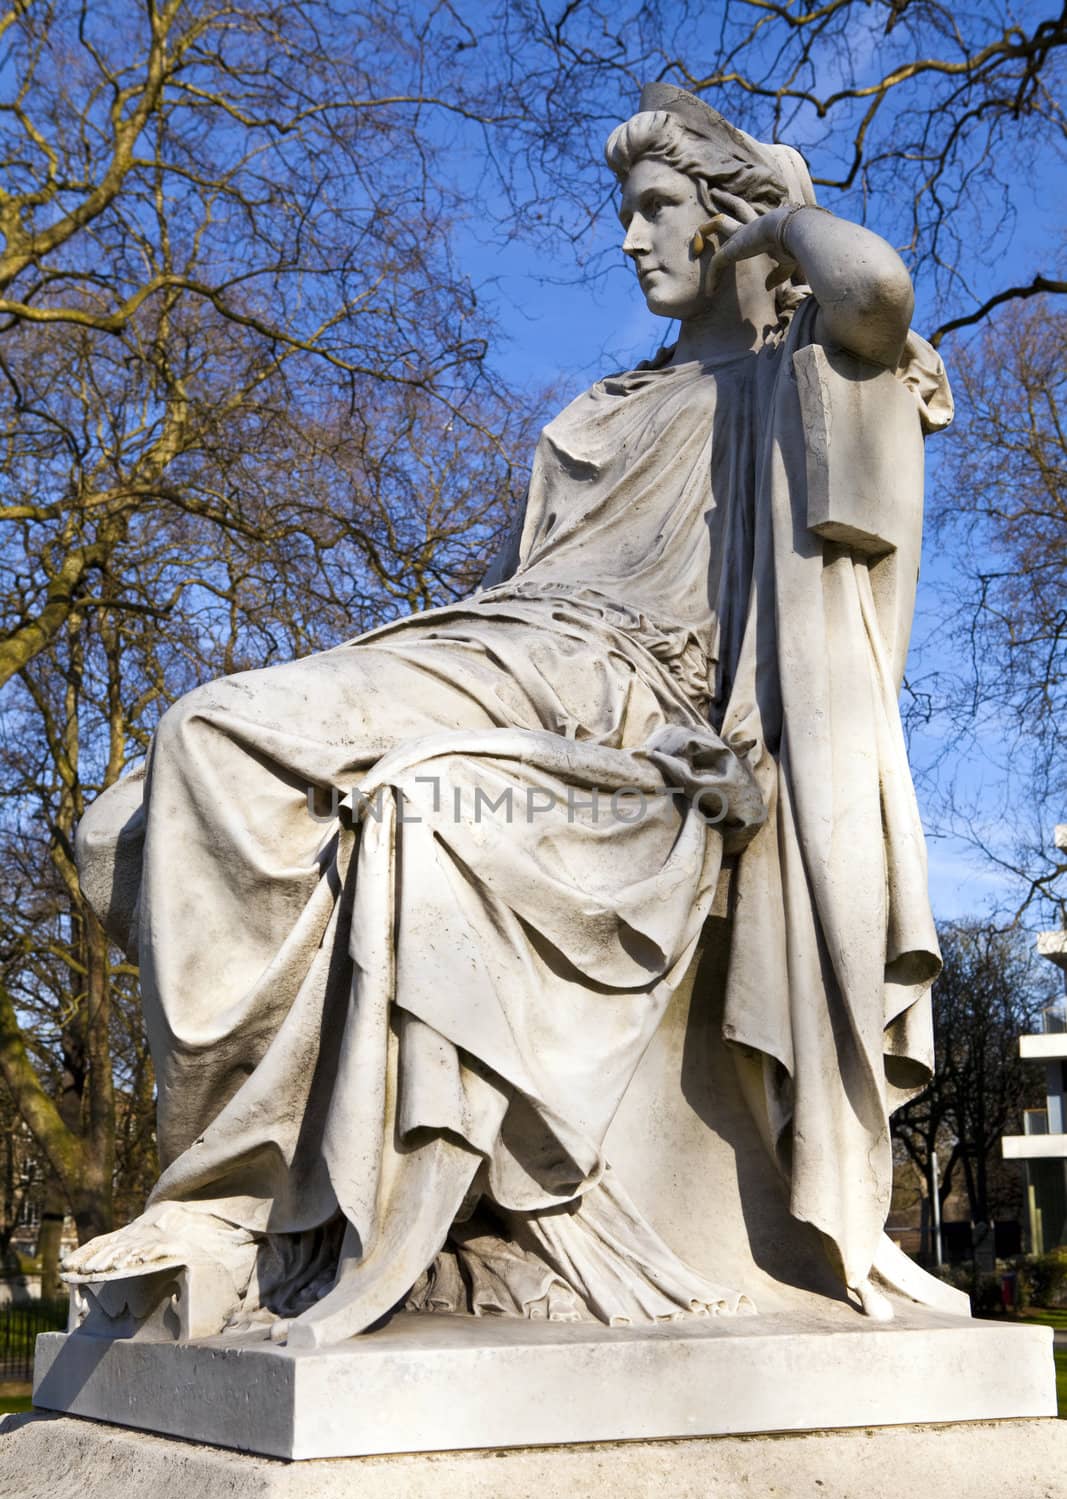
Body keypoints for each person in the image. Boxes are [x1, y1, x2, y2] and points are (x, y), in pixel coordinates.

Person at [64, 84, 952, 1345]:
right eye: (626, 213)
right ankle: (258, 1199)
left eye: (656, 210)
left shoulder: (793, 379)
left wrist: (766, 229)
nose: (629, 239)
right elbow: (520, 589)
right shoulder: (595, 413)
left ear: (723, 219)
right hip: (496, 650)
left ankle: (226, 1204)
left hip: (611, 685)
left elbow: (869, 292)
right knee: (138, 817)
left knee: (213, 736)